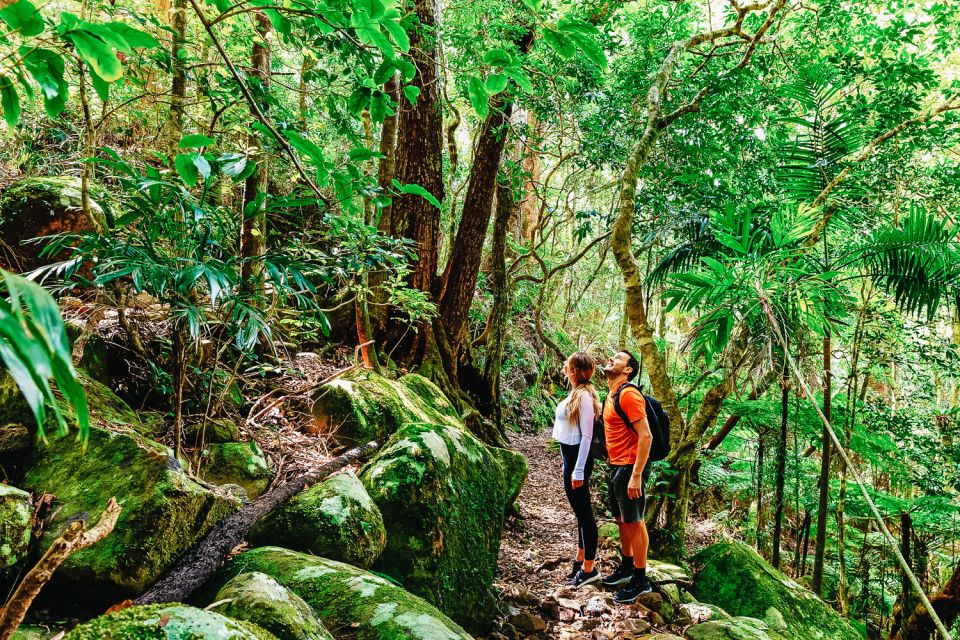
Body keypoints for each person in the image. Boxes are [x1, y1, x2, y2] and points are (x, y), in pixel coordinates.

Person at [600, 350, 654, 603]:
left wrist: (636, 476)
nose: (612, 358)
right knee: (622, 519)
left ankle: (641, 580)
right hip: (617, 466)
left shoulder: (629, 394)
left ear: (628, 369)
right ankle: (627, 567)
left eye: (619, 357)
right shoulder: (611, 395)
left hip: (631, 467)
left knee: (635, 521)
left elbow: (646, 436)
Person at [552, 351, 601, 588]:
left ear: (575, 370)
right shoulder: (577, 393)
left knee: (585, 515)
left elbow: (587, 435)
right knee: (580, 513)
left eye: (569, 366)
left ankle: (589, 568)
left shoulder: (583, 396)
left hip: (576, 459)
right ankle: (581, 558)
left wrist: (578, 469)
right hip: (569, 458)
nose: (565, 368)